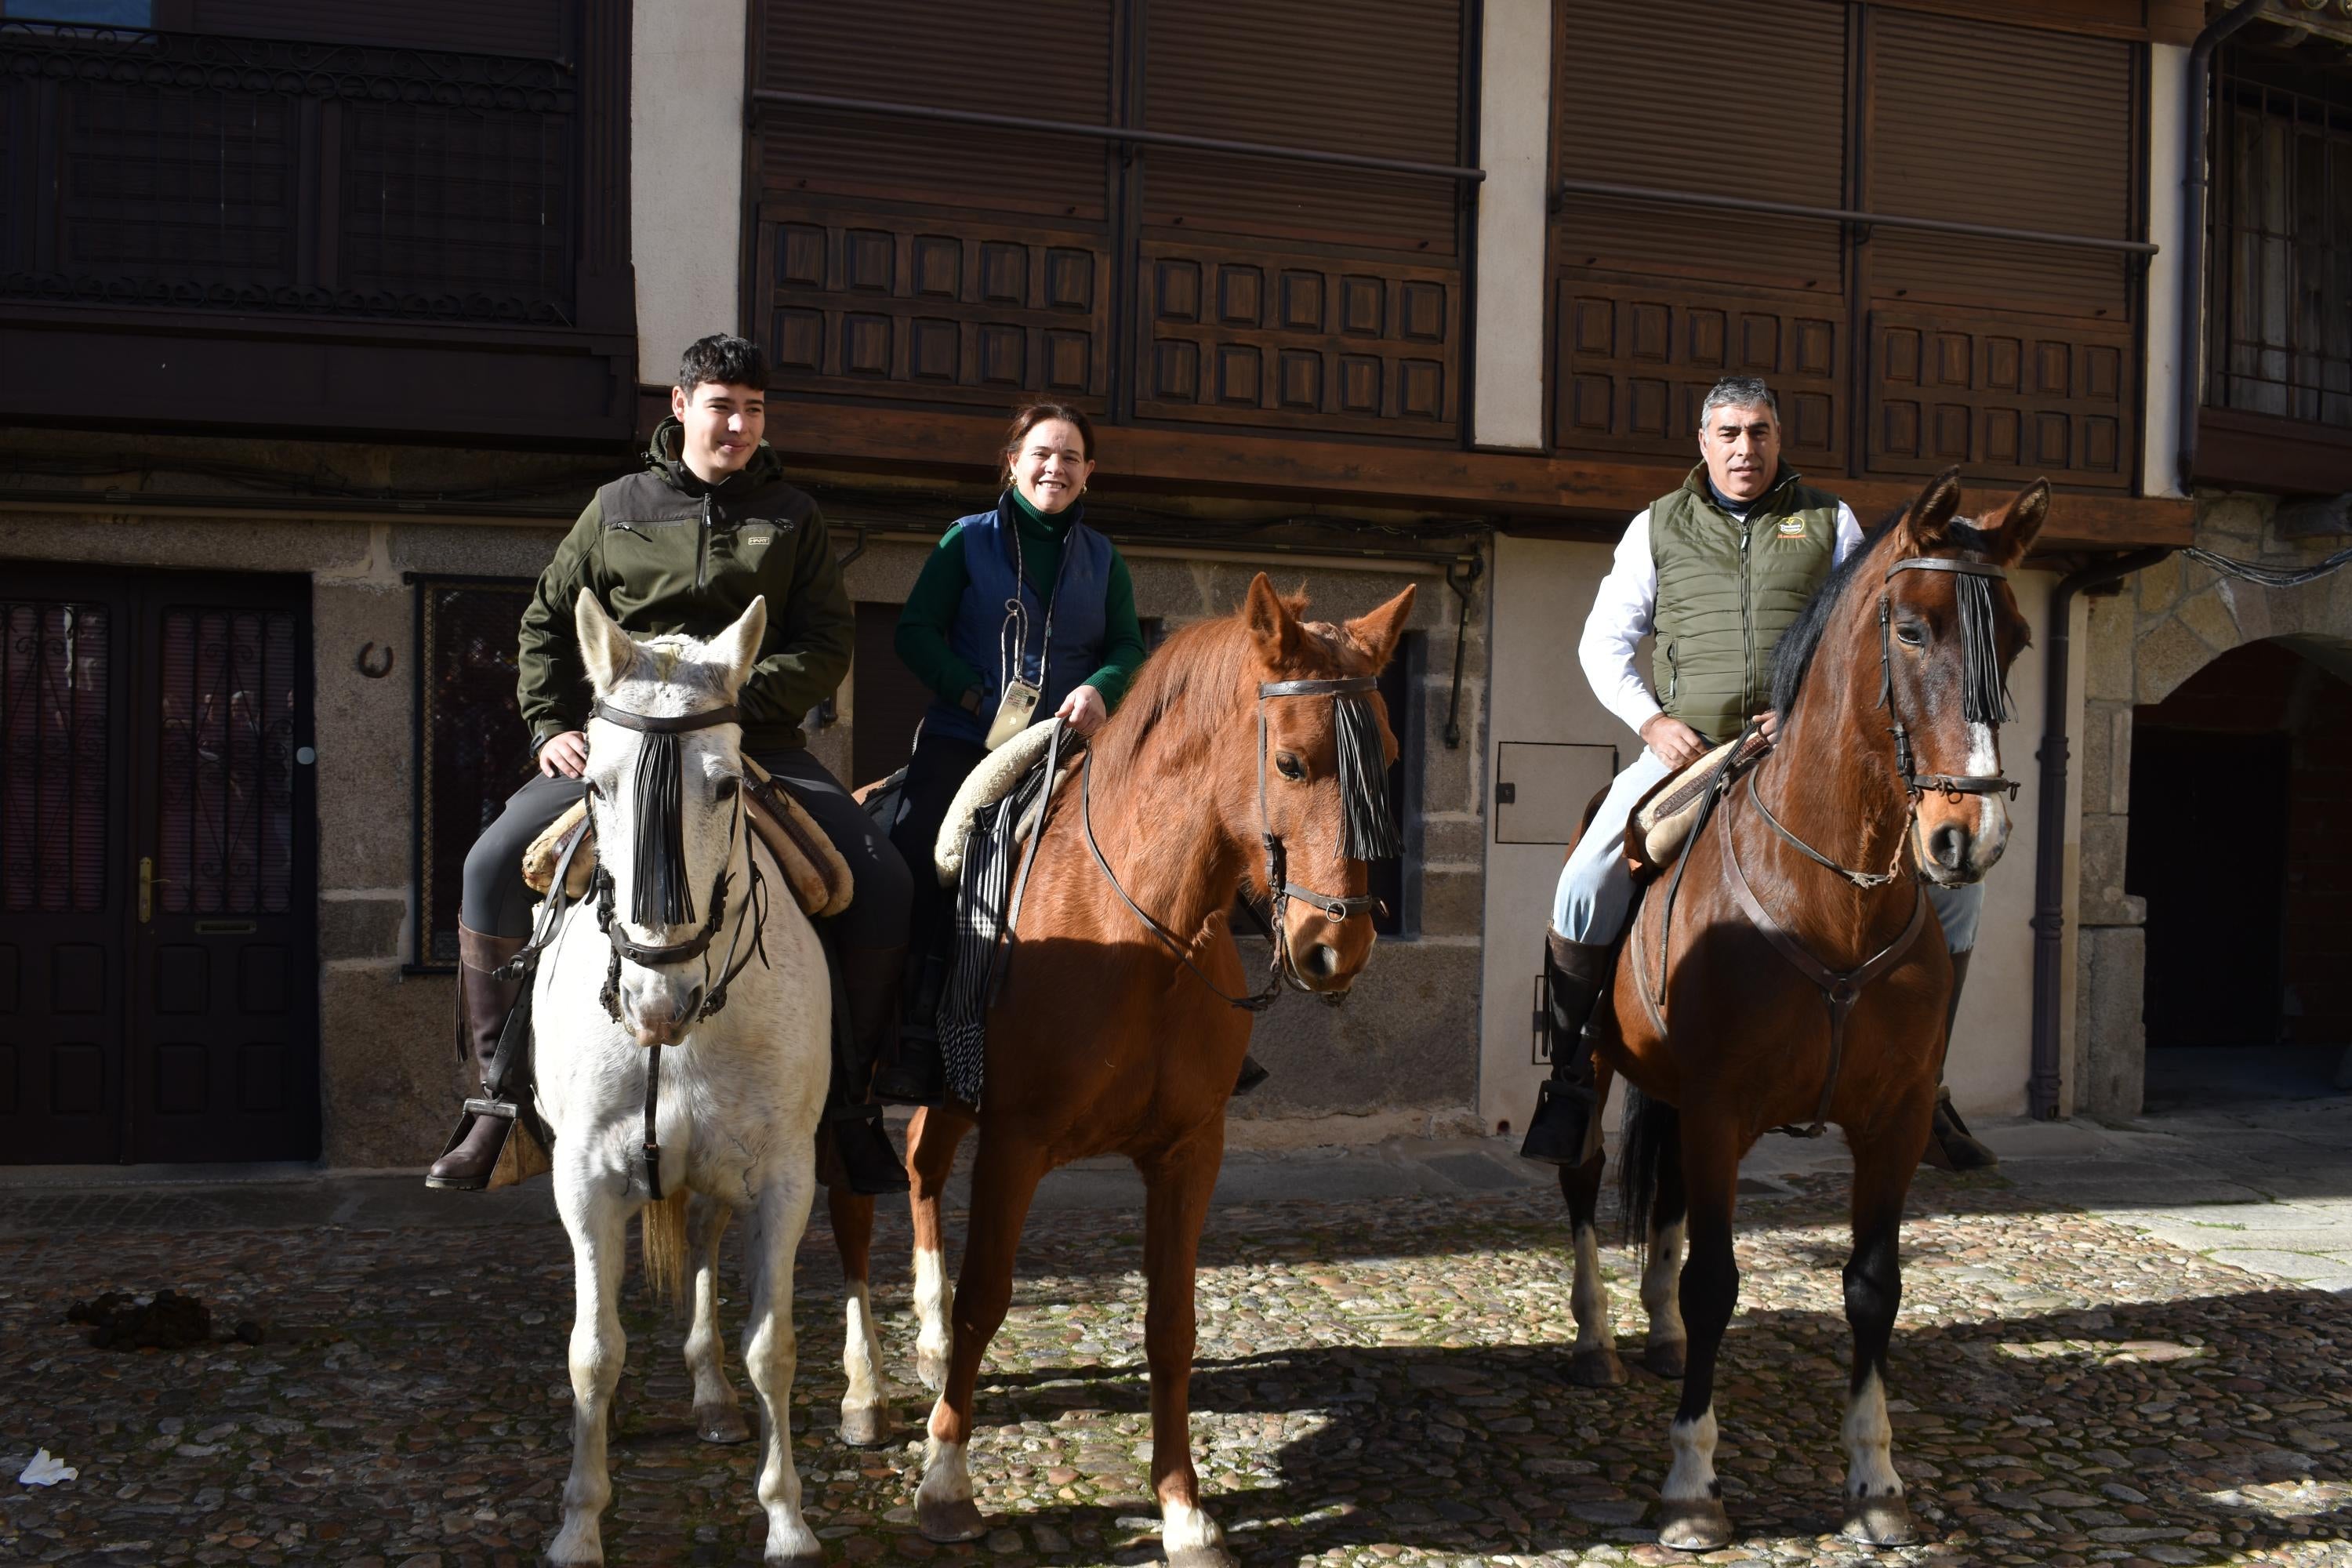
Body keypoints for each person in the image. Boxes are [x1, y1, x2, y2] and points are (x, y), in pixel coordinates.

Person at [427, 333, 915, 1196]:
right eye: (723, 406)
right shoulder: (616, 505)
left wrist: (725, 701)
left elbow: (826, 642)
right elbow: (546, 622)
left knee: (882, 879)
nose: (739, 425)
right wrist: (548, 724)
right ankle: (496, 1106)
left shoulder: (795, 515)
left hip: (751, 746)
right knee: (489, 863)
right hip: (619, 743)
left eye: (755, 410)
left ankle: (850, 1107)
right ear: (681, 406)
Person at [1519, 376, 1995, 1173]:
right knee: (1582, 881)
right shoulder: (1655, 527)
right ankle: (1571, 1078)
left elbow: (1860, 634)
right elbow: (1603, 644)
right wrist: (1652, 722)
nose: (1747, 448)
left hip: (1800, 749)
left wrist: (1804, 707)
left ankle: (1928, 1075)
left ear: (1780, 439)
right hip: (1688, 747)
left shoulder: (1829, 522)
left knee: (1963, 889)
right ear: (1703, 442)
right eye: (1731, 433)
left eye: (1761, 432)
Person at [873, 403, 1149, 1104]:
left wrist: (1100, 689)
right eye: (1042, 453)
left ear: (1090, 474)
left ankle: (1166, 1028)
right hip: (968, 742)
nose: (1055, 466)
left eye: (1070, 457)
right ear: (1014, 461)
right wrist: (971, 697)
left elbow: (1126, 648)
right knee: (910, 864)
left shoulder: (1105, 559)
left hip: (1069, 749)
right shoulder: (966, 542)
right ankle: (907, 1038)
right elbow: (914, 632)